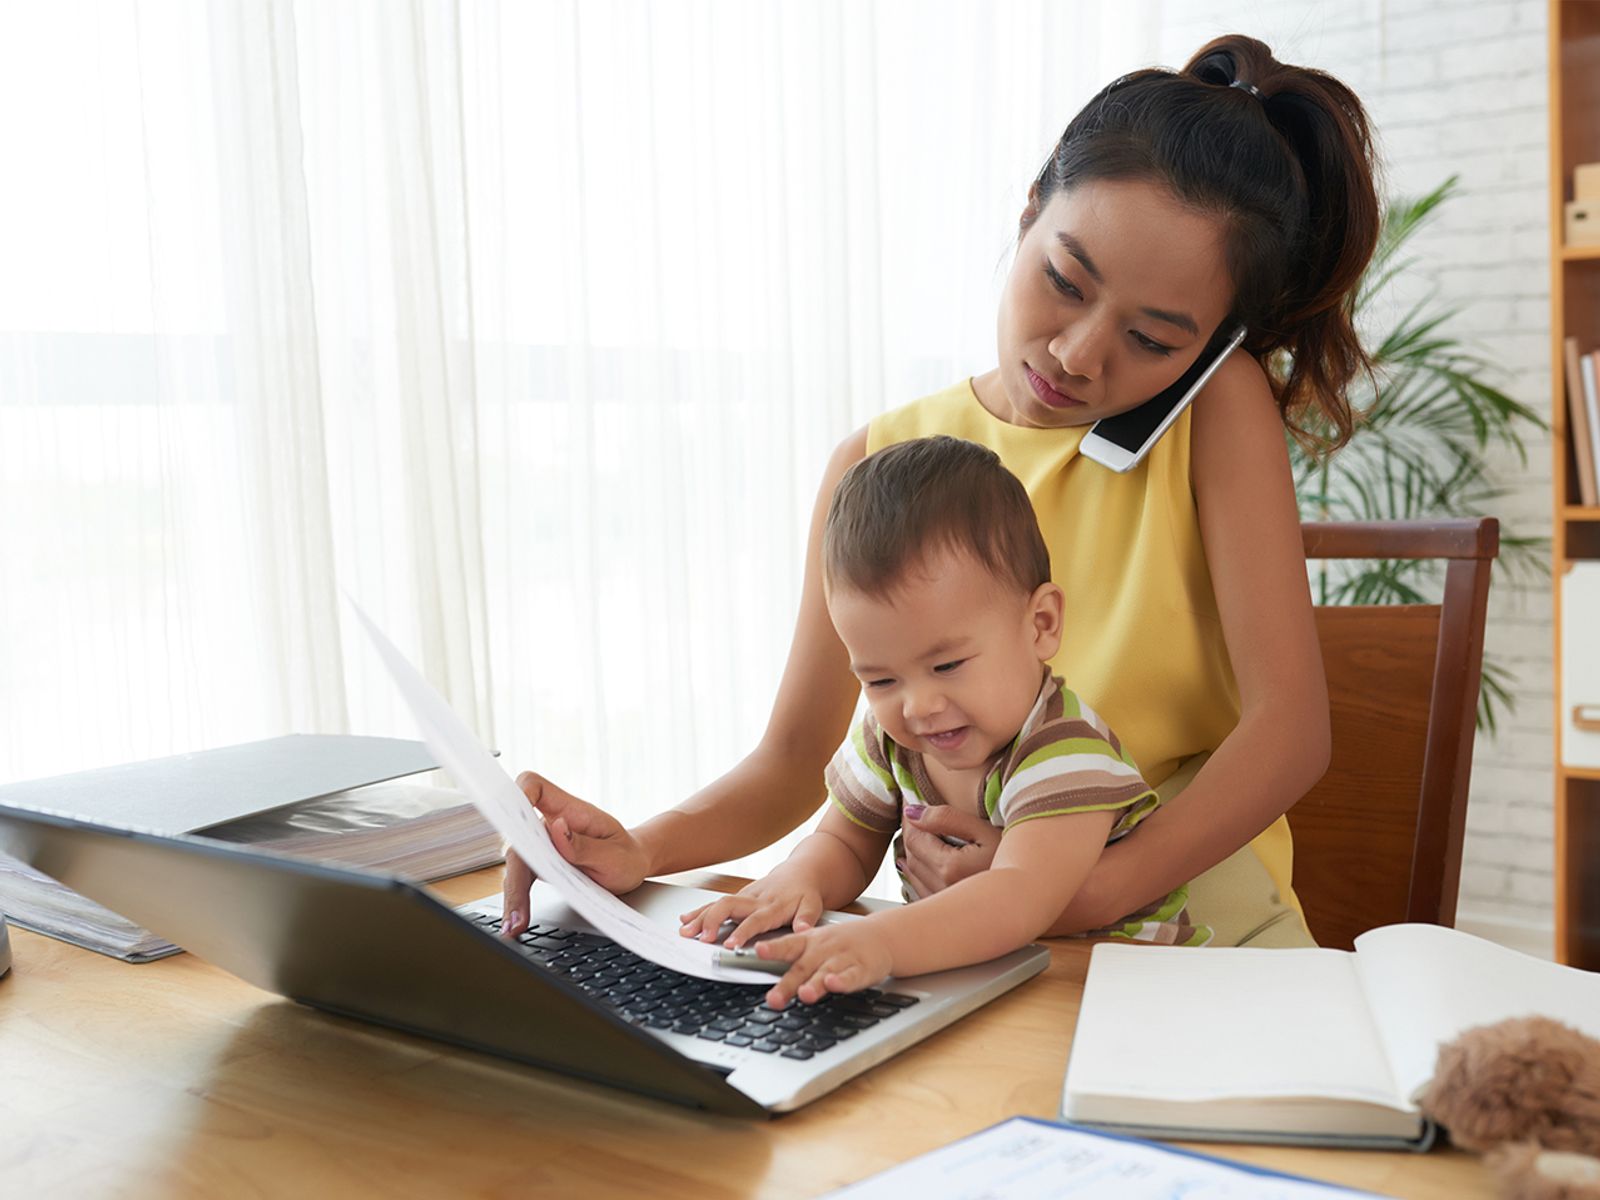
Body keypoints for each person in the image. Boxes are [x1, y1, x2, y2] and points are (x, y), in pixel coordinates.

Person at [504, 34, 1380, 953]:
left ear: (1208, 344)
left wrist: (1085, 889)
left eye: (1155, 341)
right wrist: (638, 848)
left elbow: (1290, 732)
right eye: (1064, 282)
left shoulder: (1218, 412)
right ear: (1028, 215)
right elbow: (794, 765)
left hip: (1193, 946)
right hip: (975, 947)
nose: (1080, 354)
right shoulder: (875, 460)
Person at [678, 436, 1207, 1006]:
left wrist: (879, 940)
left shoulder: (1064, 752)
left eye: (947, 664)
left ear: (1042, 623)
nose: (917, 706)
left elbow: (1017, 897)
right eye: (880, 680)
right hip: (991, 971)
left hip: (1123, 988)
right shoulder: (892, 740)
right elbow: (846, 844)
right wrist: (794, 882)